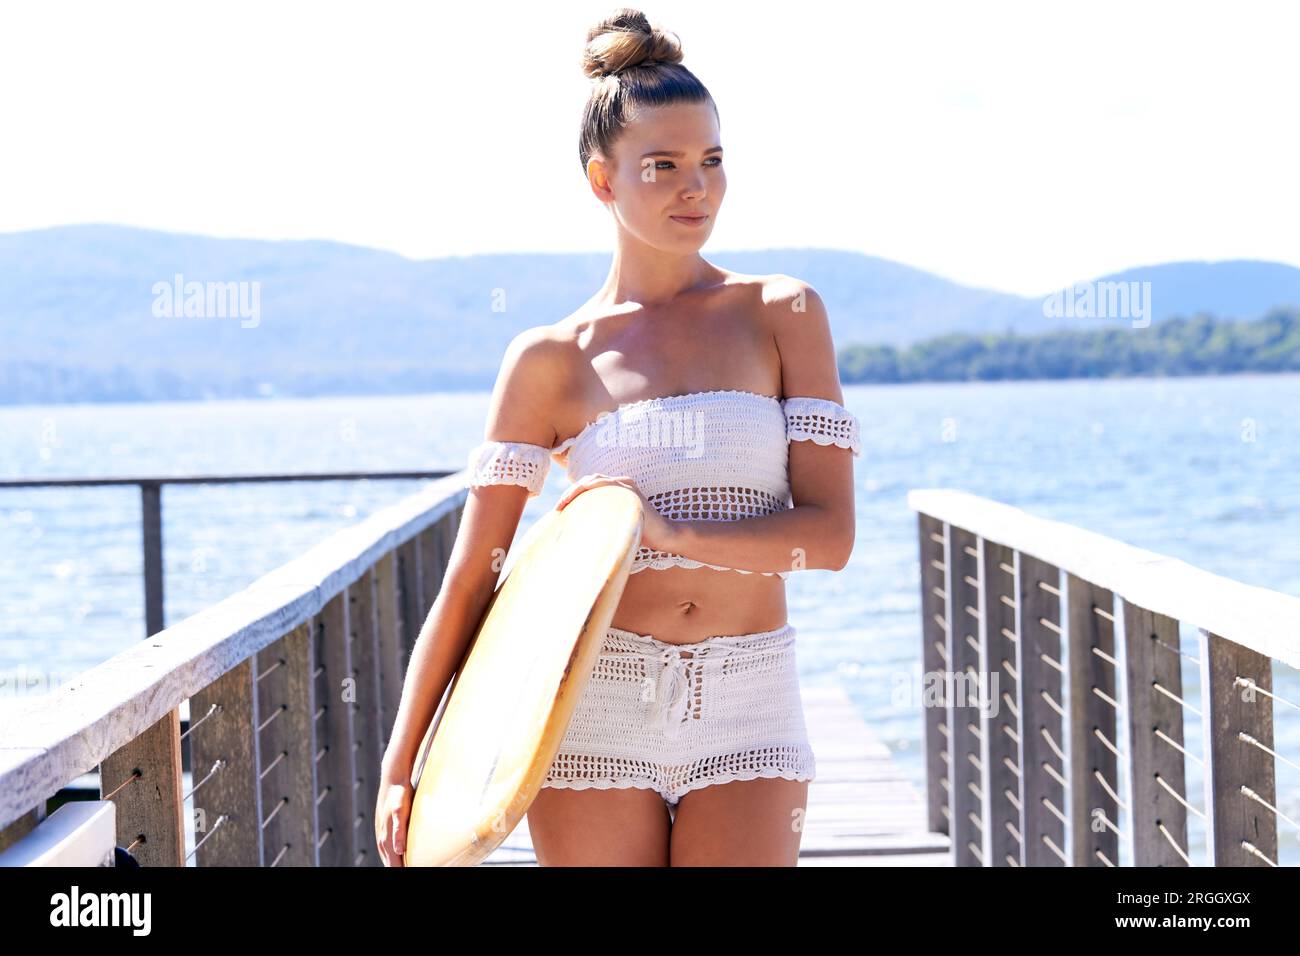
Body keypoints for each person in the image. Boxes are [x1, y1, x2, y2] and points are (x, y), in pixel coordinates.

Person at [376, 7, 861, 867]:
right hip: (586, 706)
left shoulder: (782, 313)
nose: (696, 189)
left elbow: (828, 539)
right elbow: (474, 573)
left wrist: (666, 533)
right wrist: (405, 759)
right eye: (663, 166)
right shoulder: (549, 361)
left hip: (750, 695)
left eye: (712, 161)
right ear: (603, 182)